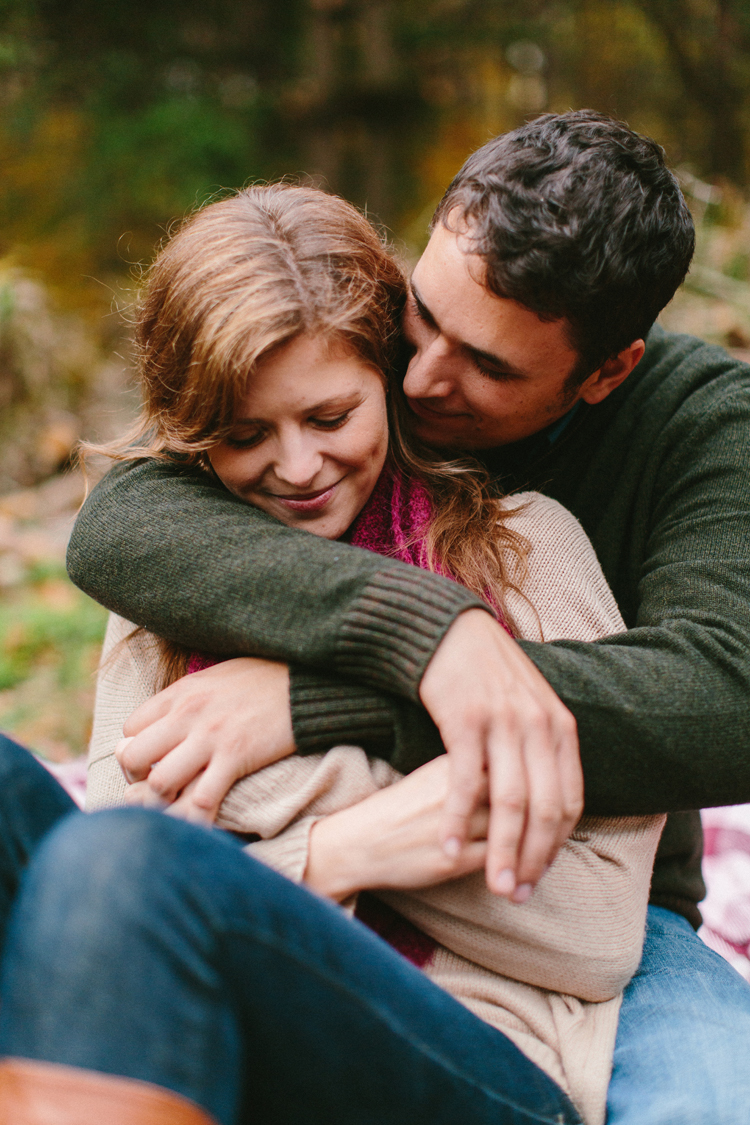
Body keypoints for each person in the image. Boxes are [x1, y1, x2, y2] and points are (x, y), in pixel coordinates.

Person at [66, 110, 750, 1122]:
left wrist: (325, 700)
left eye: (490, 367)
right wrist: (432, 637)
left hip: (599, 905)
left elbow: (721, 701)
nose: (422, 377)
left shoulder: (696, 435)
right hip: (292, 909)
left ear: (606, 371)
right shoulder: (352, 338)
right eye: (421, 319)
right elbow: (125, 516)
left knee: (711, 1100)